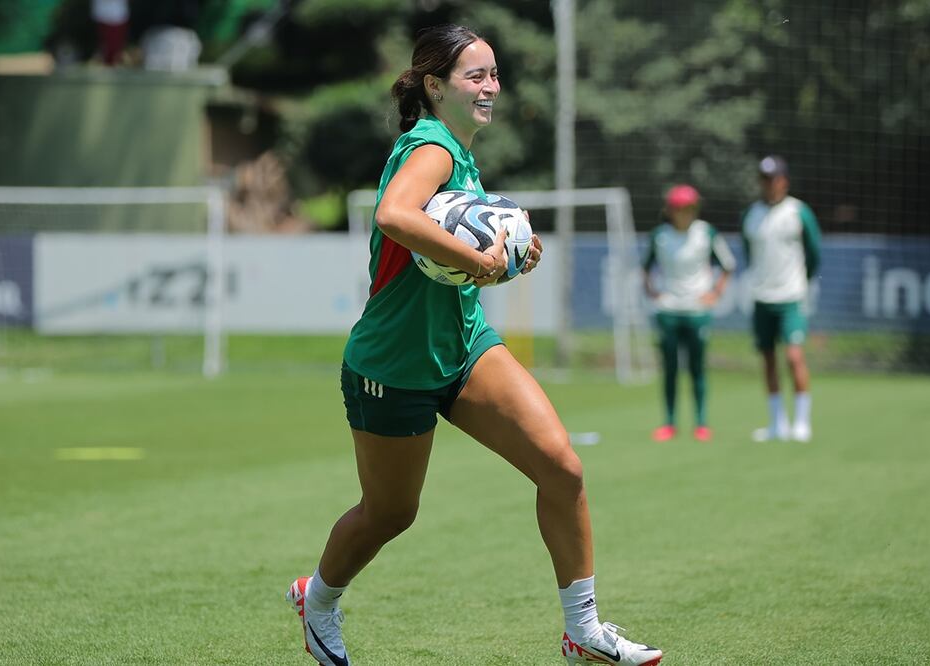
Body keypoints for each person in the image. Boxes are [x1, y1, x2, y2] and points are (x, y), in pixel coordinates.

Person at [285, 25, 663, 666]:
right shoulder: (431, 144)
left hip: (462, 345)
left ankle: (583, 631)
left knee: (562, 468)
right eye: (475, 76)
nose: (491, 87)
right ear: (435, 86)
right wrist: (479, 260)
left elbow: (465, 236)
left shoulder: (458, 149)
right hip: (393, 364)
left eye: (493, 75)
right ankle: (317, 599)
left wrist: (512, 250)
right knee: (390, 514)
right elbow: (395, 217)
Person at [643, 184, 735, 442]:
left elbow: (728, 265)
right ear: (671, 210)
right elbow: (645, 267)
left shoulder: (706, 233)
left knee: (697, 368)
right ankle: (669, 423)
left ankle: (701, 423)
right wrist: (654, 293)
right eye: (679, 208)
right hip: (669, 310)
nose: (684, 213)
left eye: (689, 208)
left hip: (697, 310)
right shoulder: (660, 236)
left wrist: (715, 294)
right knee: (670, 368)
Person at [740, 155, 821, 442]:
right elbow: (749, 253)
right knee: (768, 359)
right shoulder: (751, 215)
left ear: (784, 180)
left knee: (794, 356)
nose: (768, 184)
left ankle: (802, 422)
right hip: (762, 296)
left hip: (791, 296)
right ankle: (777, 423)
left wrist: (800, 280)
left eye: (773, 178)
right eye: (764, 178)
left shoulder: (798, 212)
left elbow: (815, 253)